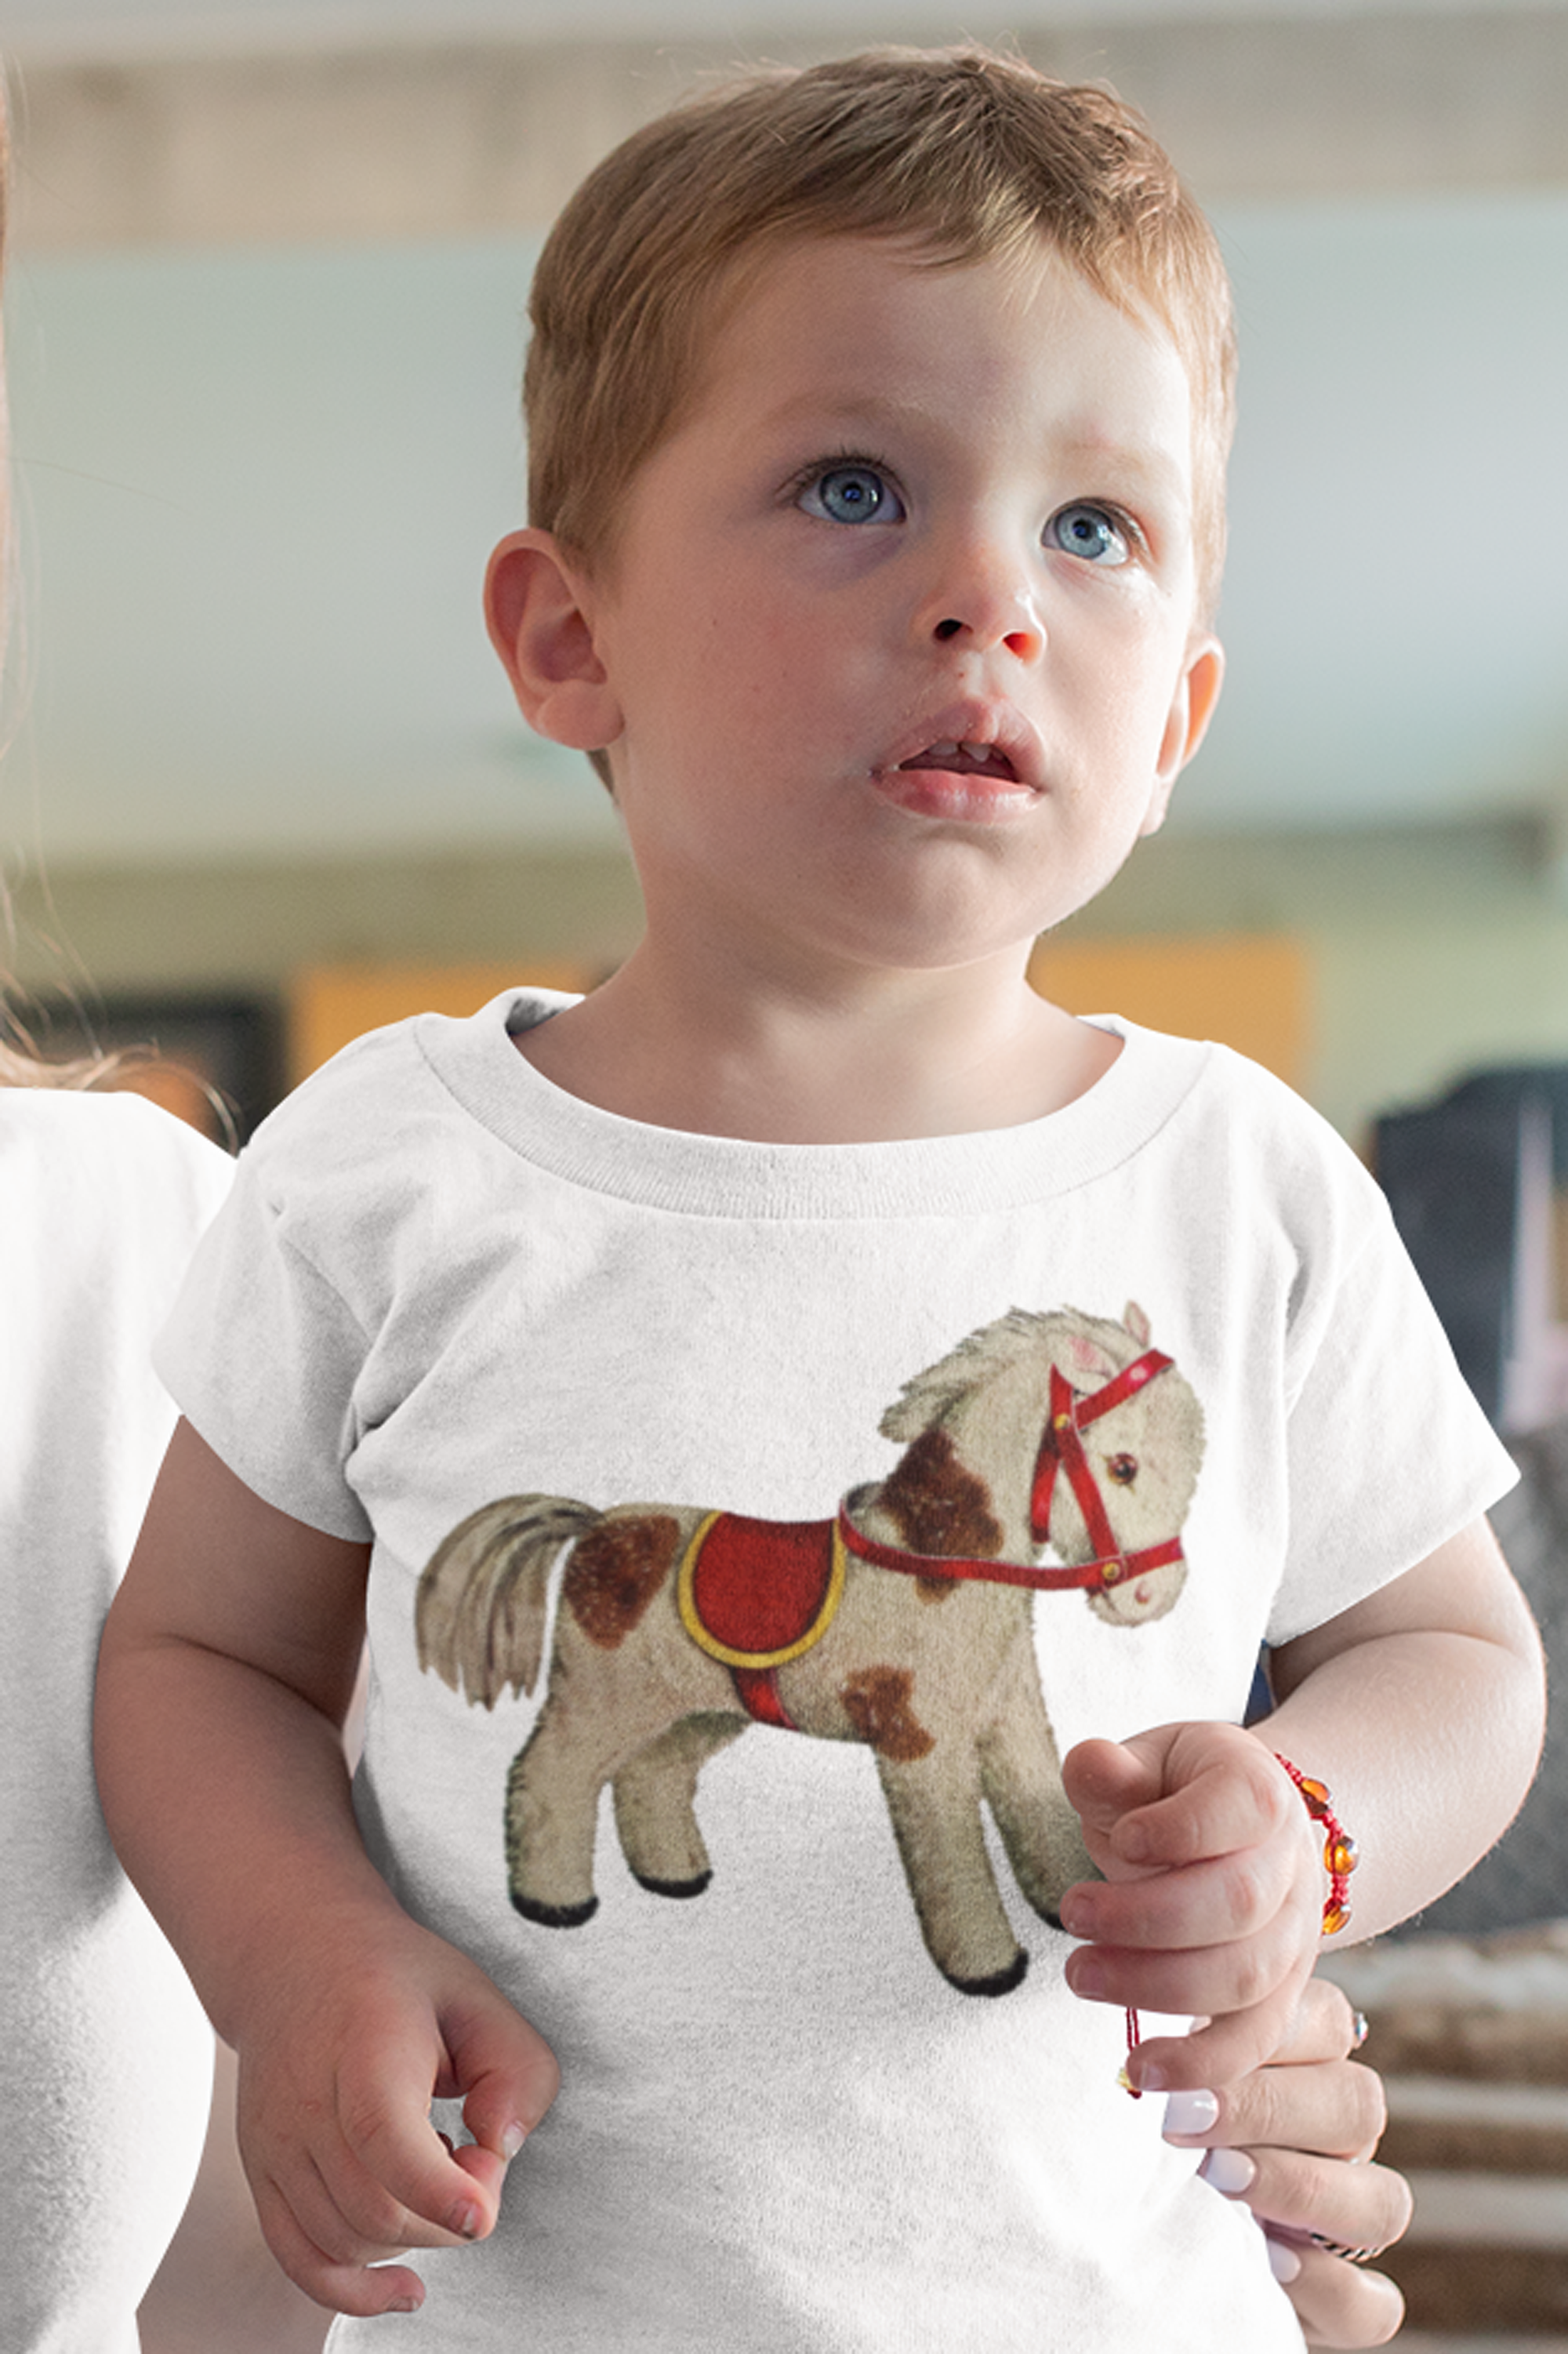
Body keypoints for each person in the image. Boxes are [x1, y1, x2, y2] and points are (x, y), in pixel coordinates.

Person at [94, 48, 1542, 2352]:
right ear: (570, 639)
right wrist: (297, 1954)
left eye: (1097, 529)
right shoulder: (389, 1166)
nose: (991, 596)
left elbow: (1457, 1659)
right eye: (855, 486)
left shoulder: (1249, 1183)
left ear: (1175, 720)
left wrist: (1311, 1821)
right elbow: (198, 1662)